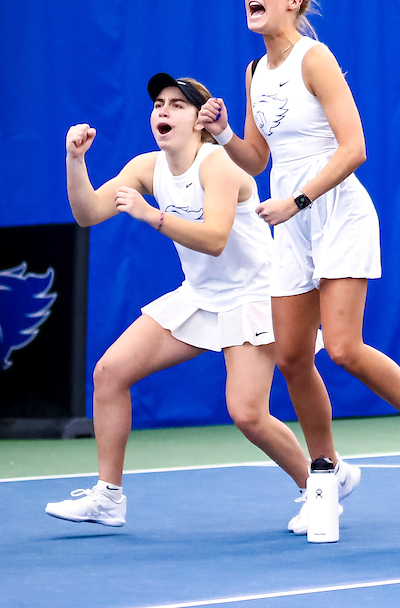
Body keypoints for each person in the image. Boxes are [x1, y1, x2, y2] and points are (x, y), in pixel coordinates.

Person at [198, 0, 400, 534]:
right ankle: (322, 480)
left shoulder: (314, 59)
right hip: (291, 223)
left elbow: (354, 148)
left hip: (337, 211)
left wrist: (296, 200)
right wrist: (221, 133)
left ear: (295, 1)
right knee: (295, 358)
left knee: (343, 348)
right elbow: (256, 158)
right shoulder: (254, 73)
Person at [47, 74, 315, 528]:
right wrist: (75, 160)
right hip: (200, 296)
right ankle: (109, 497)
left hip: (254, 296)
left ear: (199, 122)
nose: (163, 112)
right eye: (158, 105)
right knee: (110, 373)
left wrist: (152, 214)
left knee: (248, 414)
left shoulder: (218, 164)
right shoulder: (147, 167)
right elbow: (88, 212)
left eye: (176, 105)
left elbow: (214, 239)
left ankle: (316, 488)